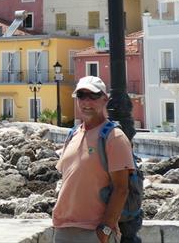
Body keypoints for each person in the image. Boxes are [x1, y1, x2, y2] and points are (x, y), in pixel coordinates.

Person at [52, 76, 135, 243]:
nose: (86, 101)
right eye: (81, 95)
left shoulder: (114, 137)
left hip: (93, 233)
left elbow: (121, 189)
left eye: (93, 96)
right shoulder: (72, 134)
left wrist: (104, 230)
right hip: (63, 230)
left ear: (105, 99)